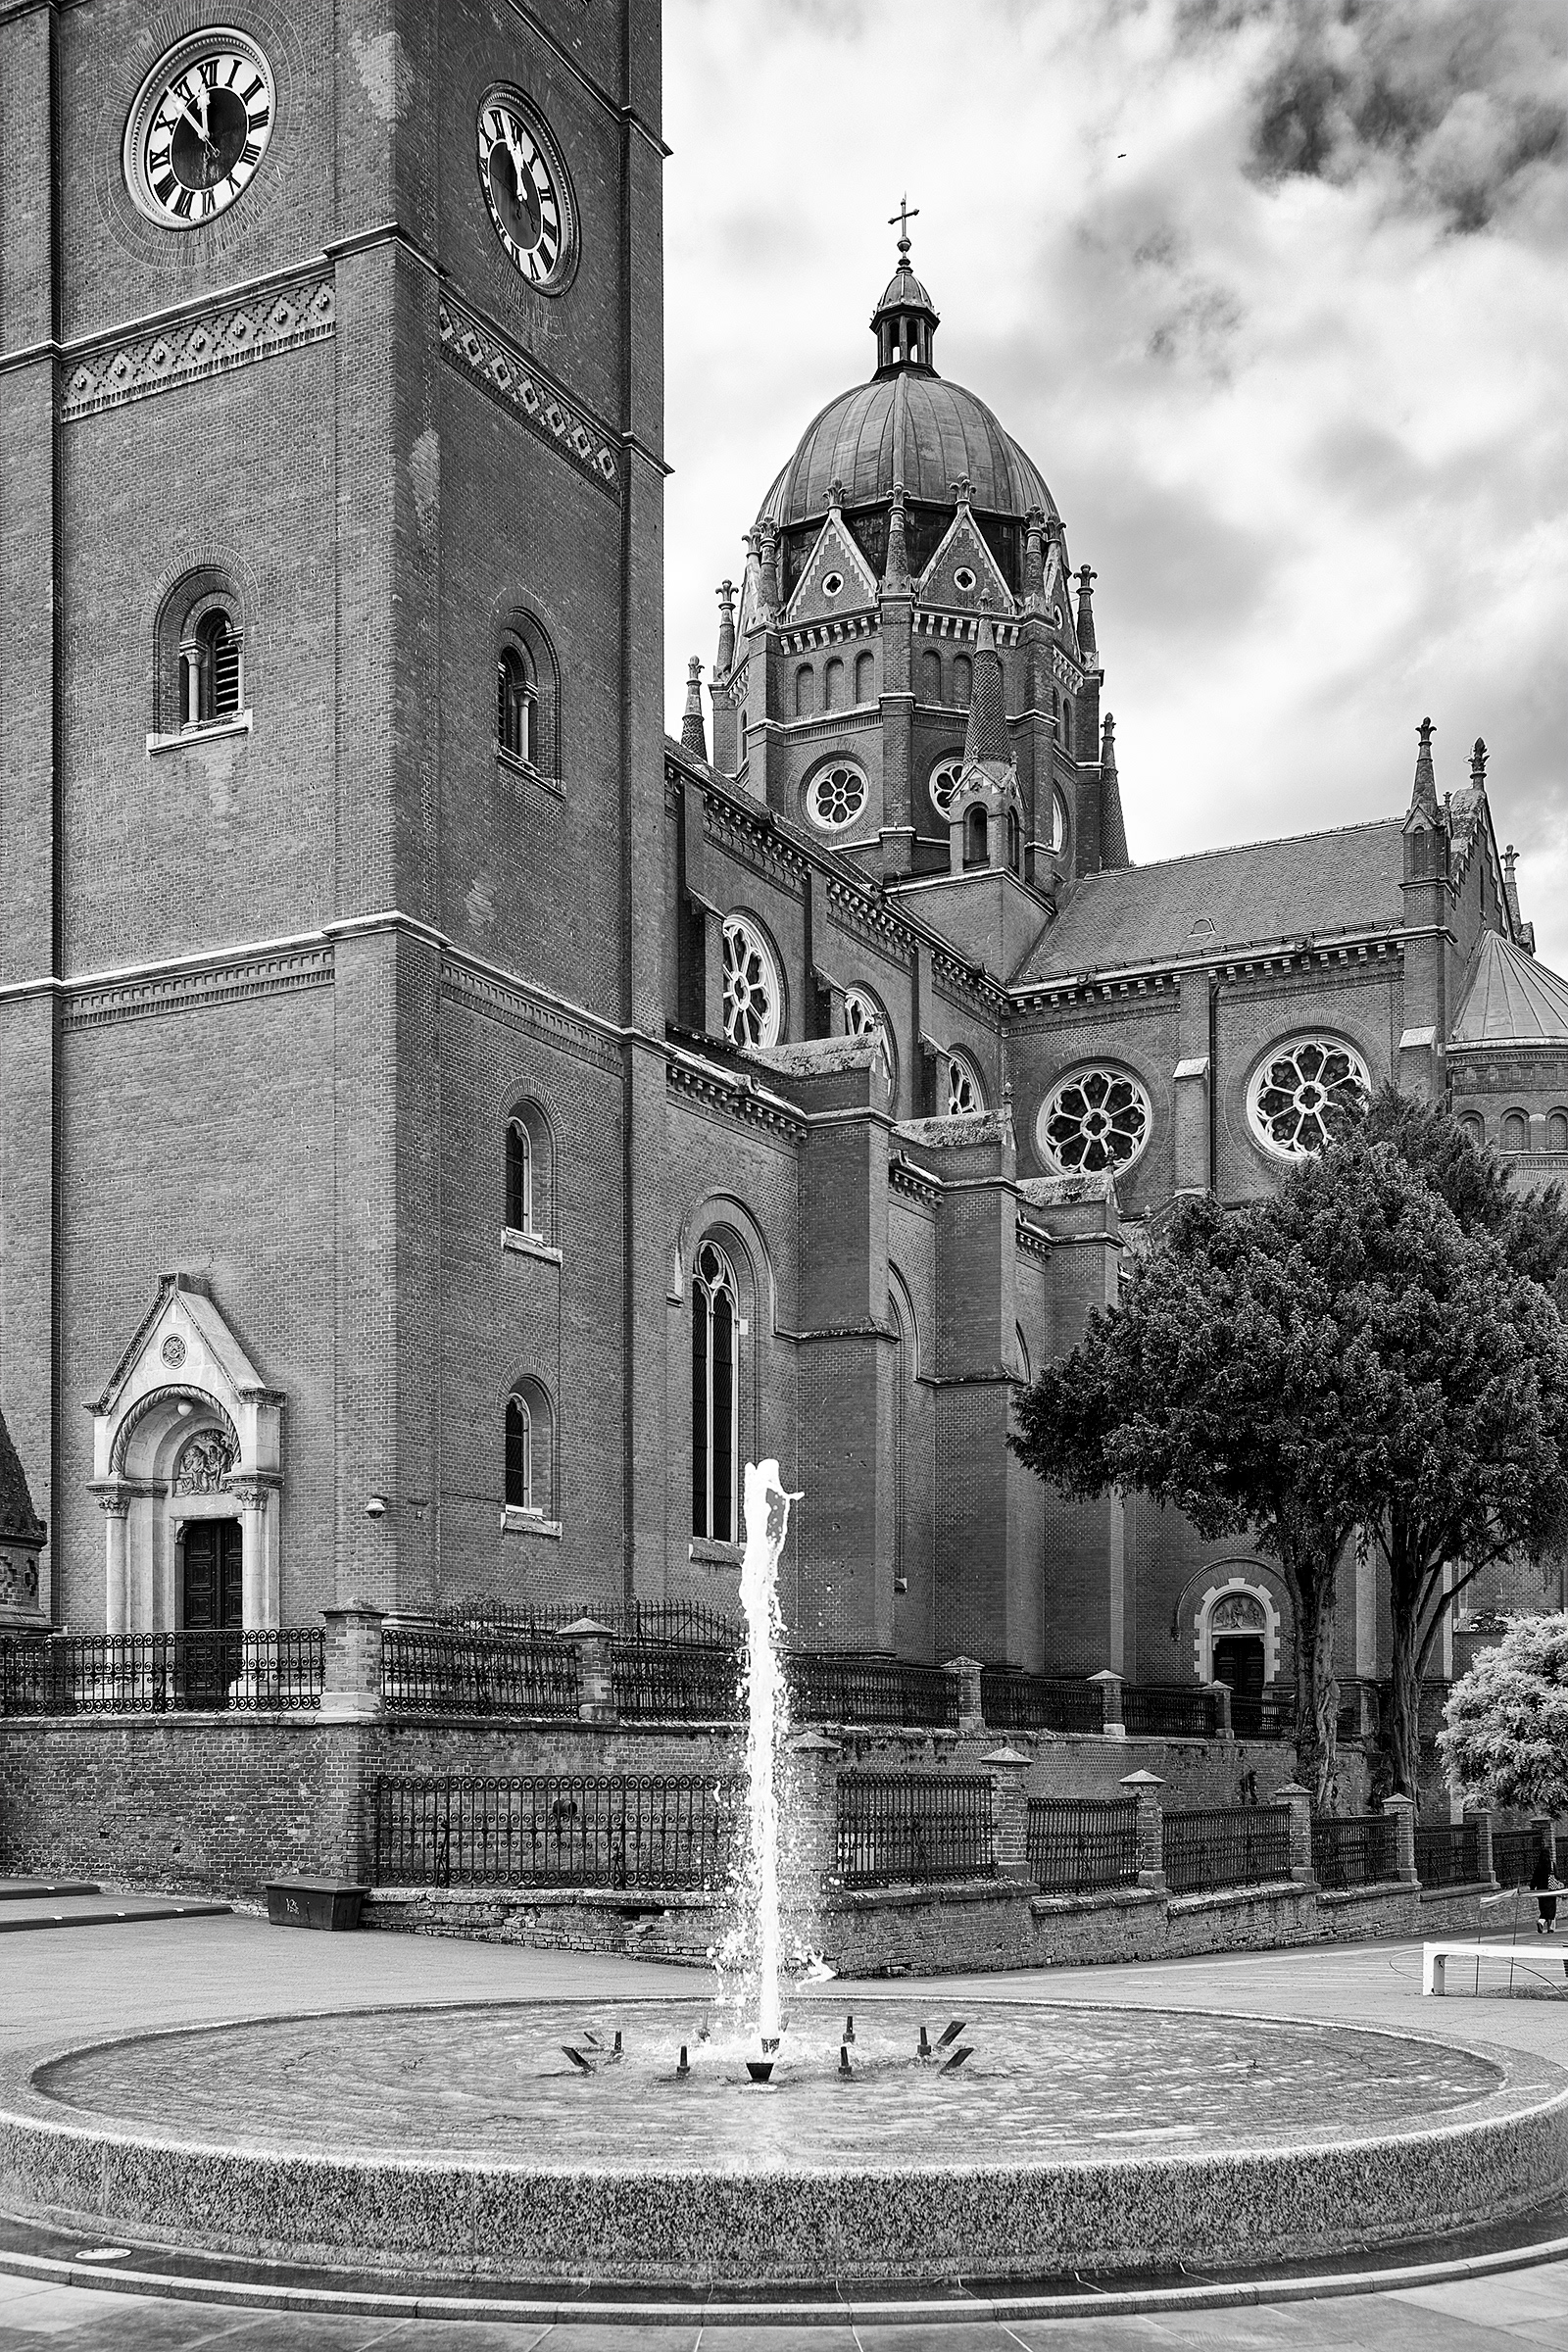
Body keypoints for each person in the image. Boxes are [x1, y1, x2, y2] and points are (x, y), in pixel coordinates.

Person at [1531, 1840, 1560, 1935]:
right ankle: (1546, 1925)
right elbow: (1557, 1876)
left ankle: (1543, 1924)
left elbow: (1534, 1878)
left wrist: (1532, 1887)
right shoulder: (1552, 1865)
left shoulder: (1539, 1866)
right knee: (1551, 1909)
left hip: (1541, 1890)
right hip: (1551, 1890)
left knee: (1543, 1908)